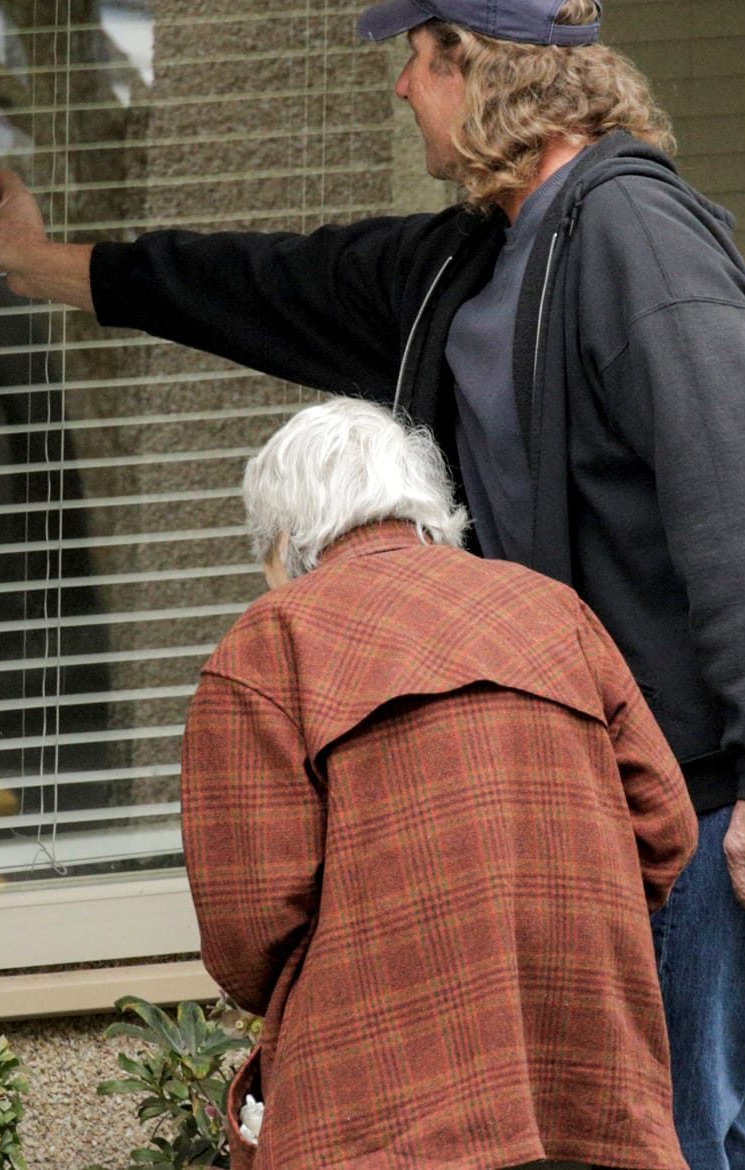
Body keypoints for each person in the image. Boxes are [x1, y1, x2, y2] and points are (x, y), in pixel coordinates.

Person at [0, 0, 745, 1169]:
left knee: (685, 1132)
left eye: (416, 61)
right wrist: (34, 261)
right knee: (641, 1132)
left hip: (706, 773)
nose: (399, 88)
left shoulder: (638, 239)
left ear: (477, 66)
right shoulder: (472, 260)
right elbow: (264, 285)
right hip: (608, 769)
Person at [184, 399, 696, 1170]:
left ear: (287, 541)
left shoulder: (270, 644)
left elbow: (248, 927)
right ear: (425, 507)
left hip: (381, 1097)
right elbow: (665, 829)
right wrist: (566, 915)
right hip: (584, 1070)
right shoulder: (550, 609)